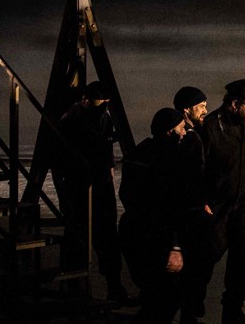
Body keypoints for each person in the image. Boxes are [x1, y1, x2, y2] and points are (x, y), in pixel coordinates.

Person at [52, 80, 131, 305]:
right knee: (78, 237)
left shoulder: (100, 116)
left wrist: (110, 176)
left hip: (99, 184)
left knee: (106, 238)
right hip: (79, 186)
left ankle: (113, 287)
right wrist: (64, 196)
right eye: (101, 102)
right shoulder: (70, 121)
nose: (104, 106)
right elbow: (58, 162)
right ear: (86, 100)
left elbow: (105, 151)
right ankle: (74, 289)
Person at [190, 79, 245, 324]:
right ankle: (193, 300)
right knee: (208, 255)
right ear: (233, 103)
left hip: (241, 203)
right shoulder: (210, 128)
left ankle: (232, 308)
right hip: (216, 205)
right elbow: (196, 169)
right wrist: (201, 202)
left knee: (242, 256)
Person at [119, 107, 189, 324]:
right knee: (168, 297)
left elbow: (126, 195)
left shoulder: (138, 153)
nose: (185, 133)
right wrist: (174, 246)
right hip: (155, 238)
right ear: (170, 131)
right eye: (182, 128)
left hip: (131, 231)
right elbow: (166, 208)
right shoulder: (168, 160)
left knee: (153, 296)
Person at [171, 86, 212, 322]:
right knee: (196, 265)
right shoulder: (191, 138)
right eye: (201, 106)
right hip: (192, 212)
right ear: (187, 109)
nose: (206, 110)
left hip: (187, 210)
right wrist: (202, 202)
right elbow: (193, 176)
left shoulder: (181, 135)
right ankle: (191, 310)